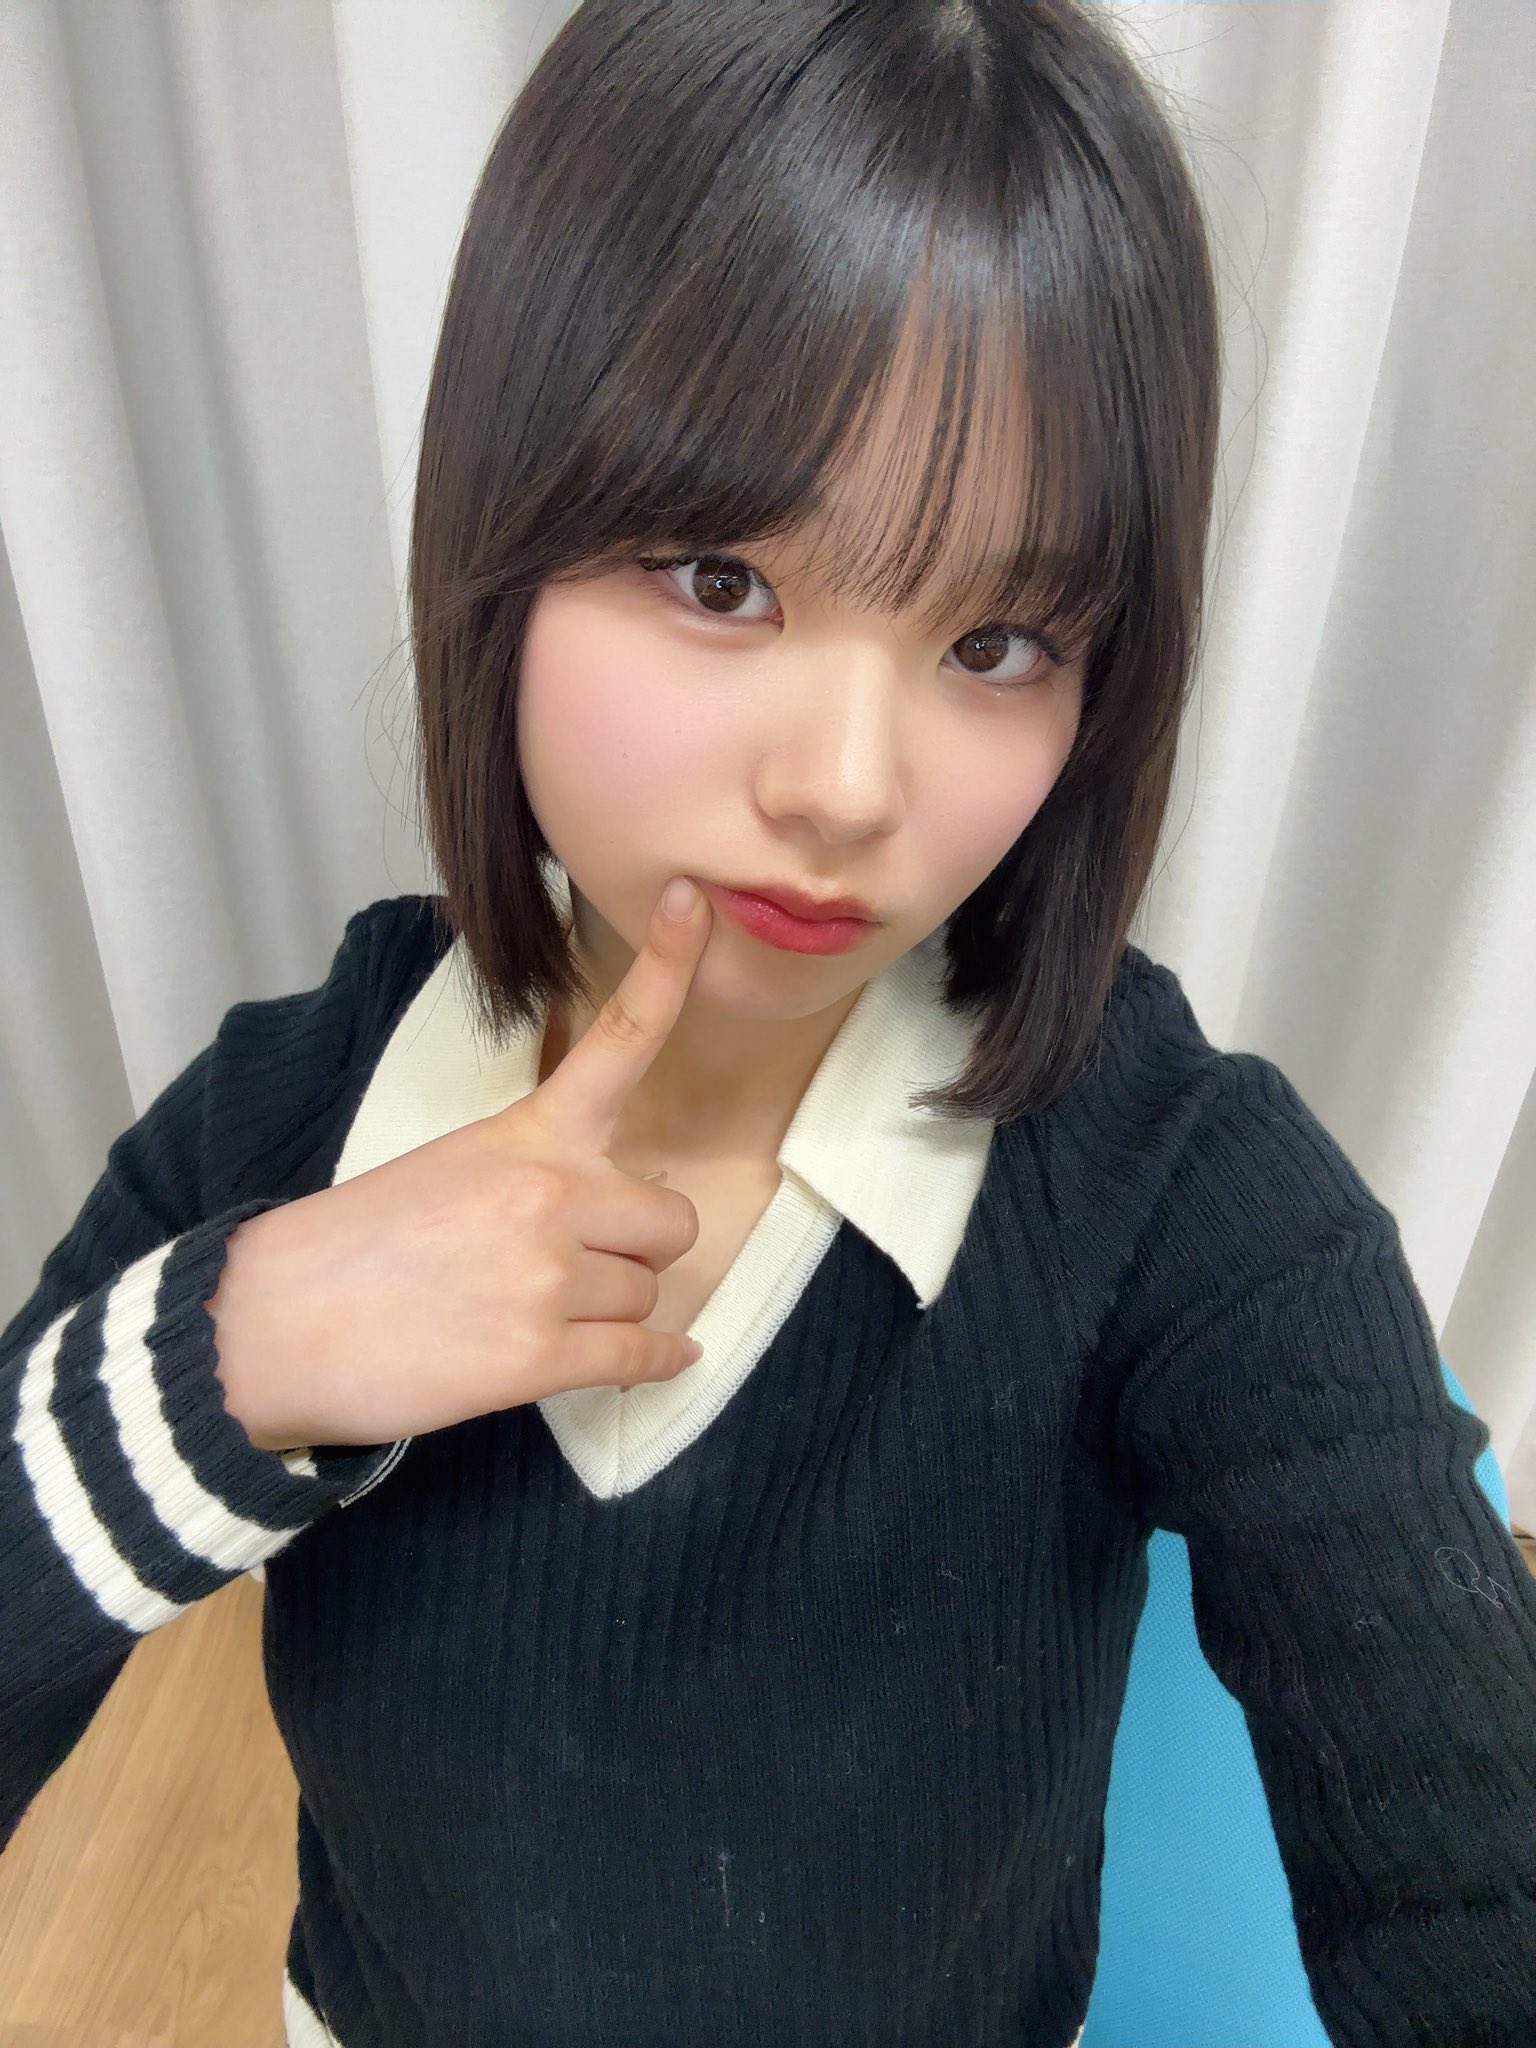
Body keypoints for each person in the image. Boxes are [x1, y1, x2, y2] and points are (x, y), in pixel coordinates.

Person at [3, 2, 1533, 2043]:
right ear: (501, 533)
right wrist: (236, 1353)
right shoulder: (280, 1125)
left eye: (999, 639)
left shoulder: (1180, 1192)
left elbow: (1467, 1850)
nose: (848, 784)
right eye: (721, 577)